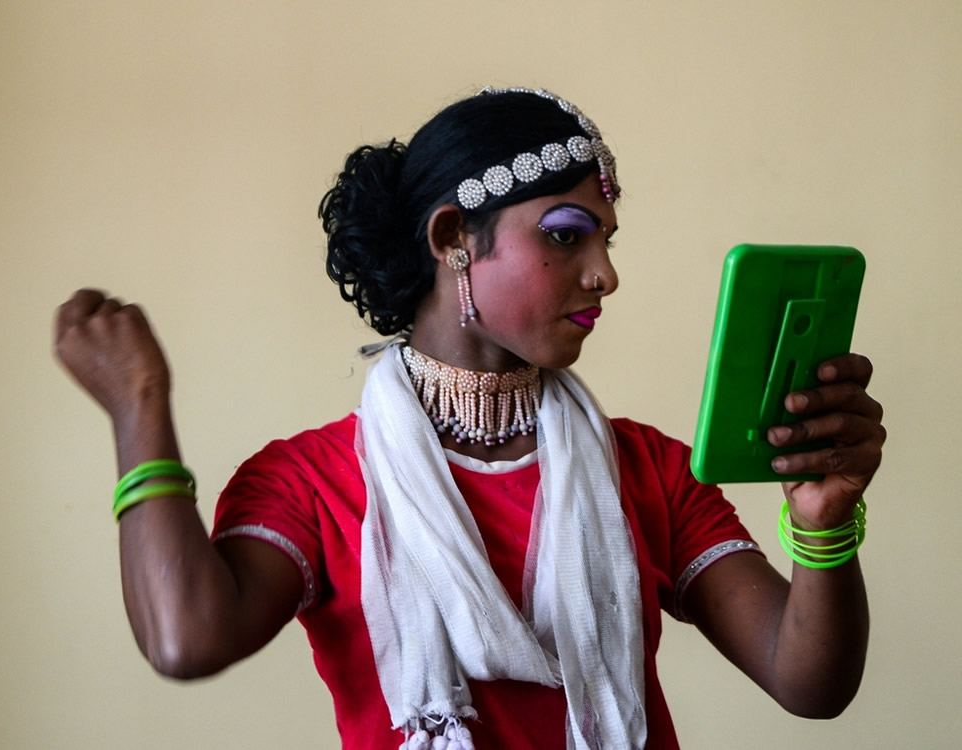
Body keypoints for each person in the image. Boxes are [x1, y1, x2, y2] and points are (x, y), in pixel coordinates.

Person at [53, 87, 885, 750]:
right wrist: (140, 408)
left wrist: (823, 524)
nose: (605, 274)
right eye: (568, 235)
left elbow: (808, 682)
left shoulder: (648, 469)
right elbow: (186, 639)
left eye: (608, 241)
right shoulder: (312, 483)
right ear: (453, 237)